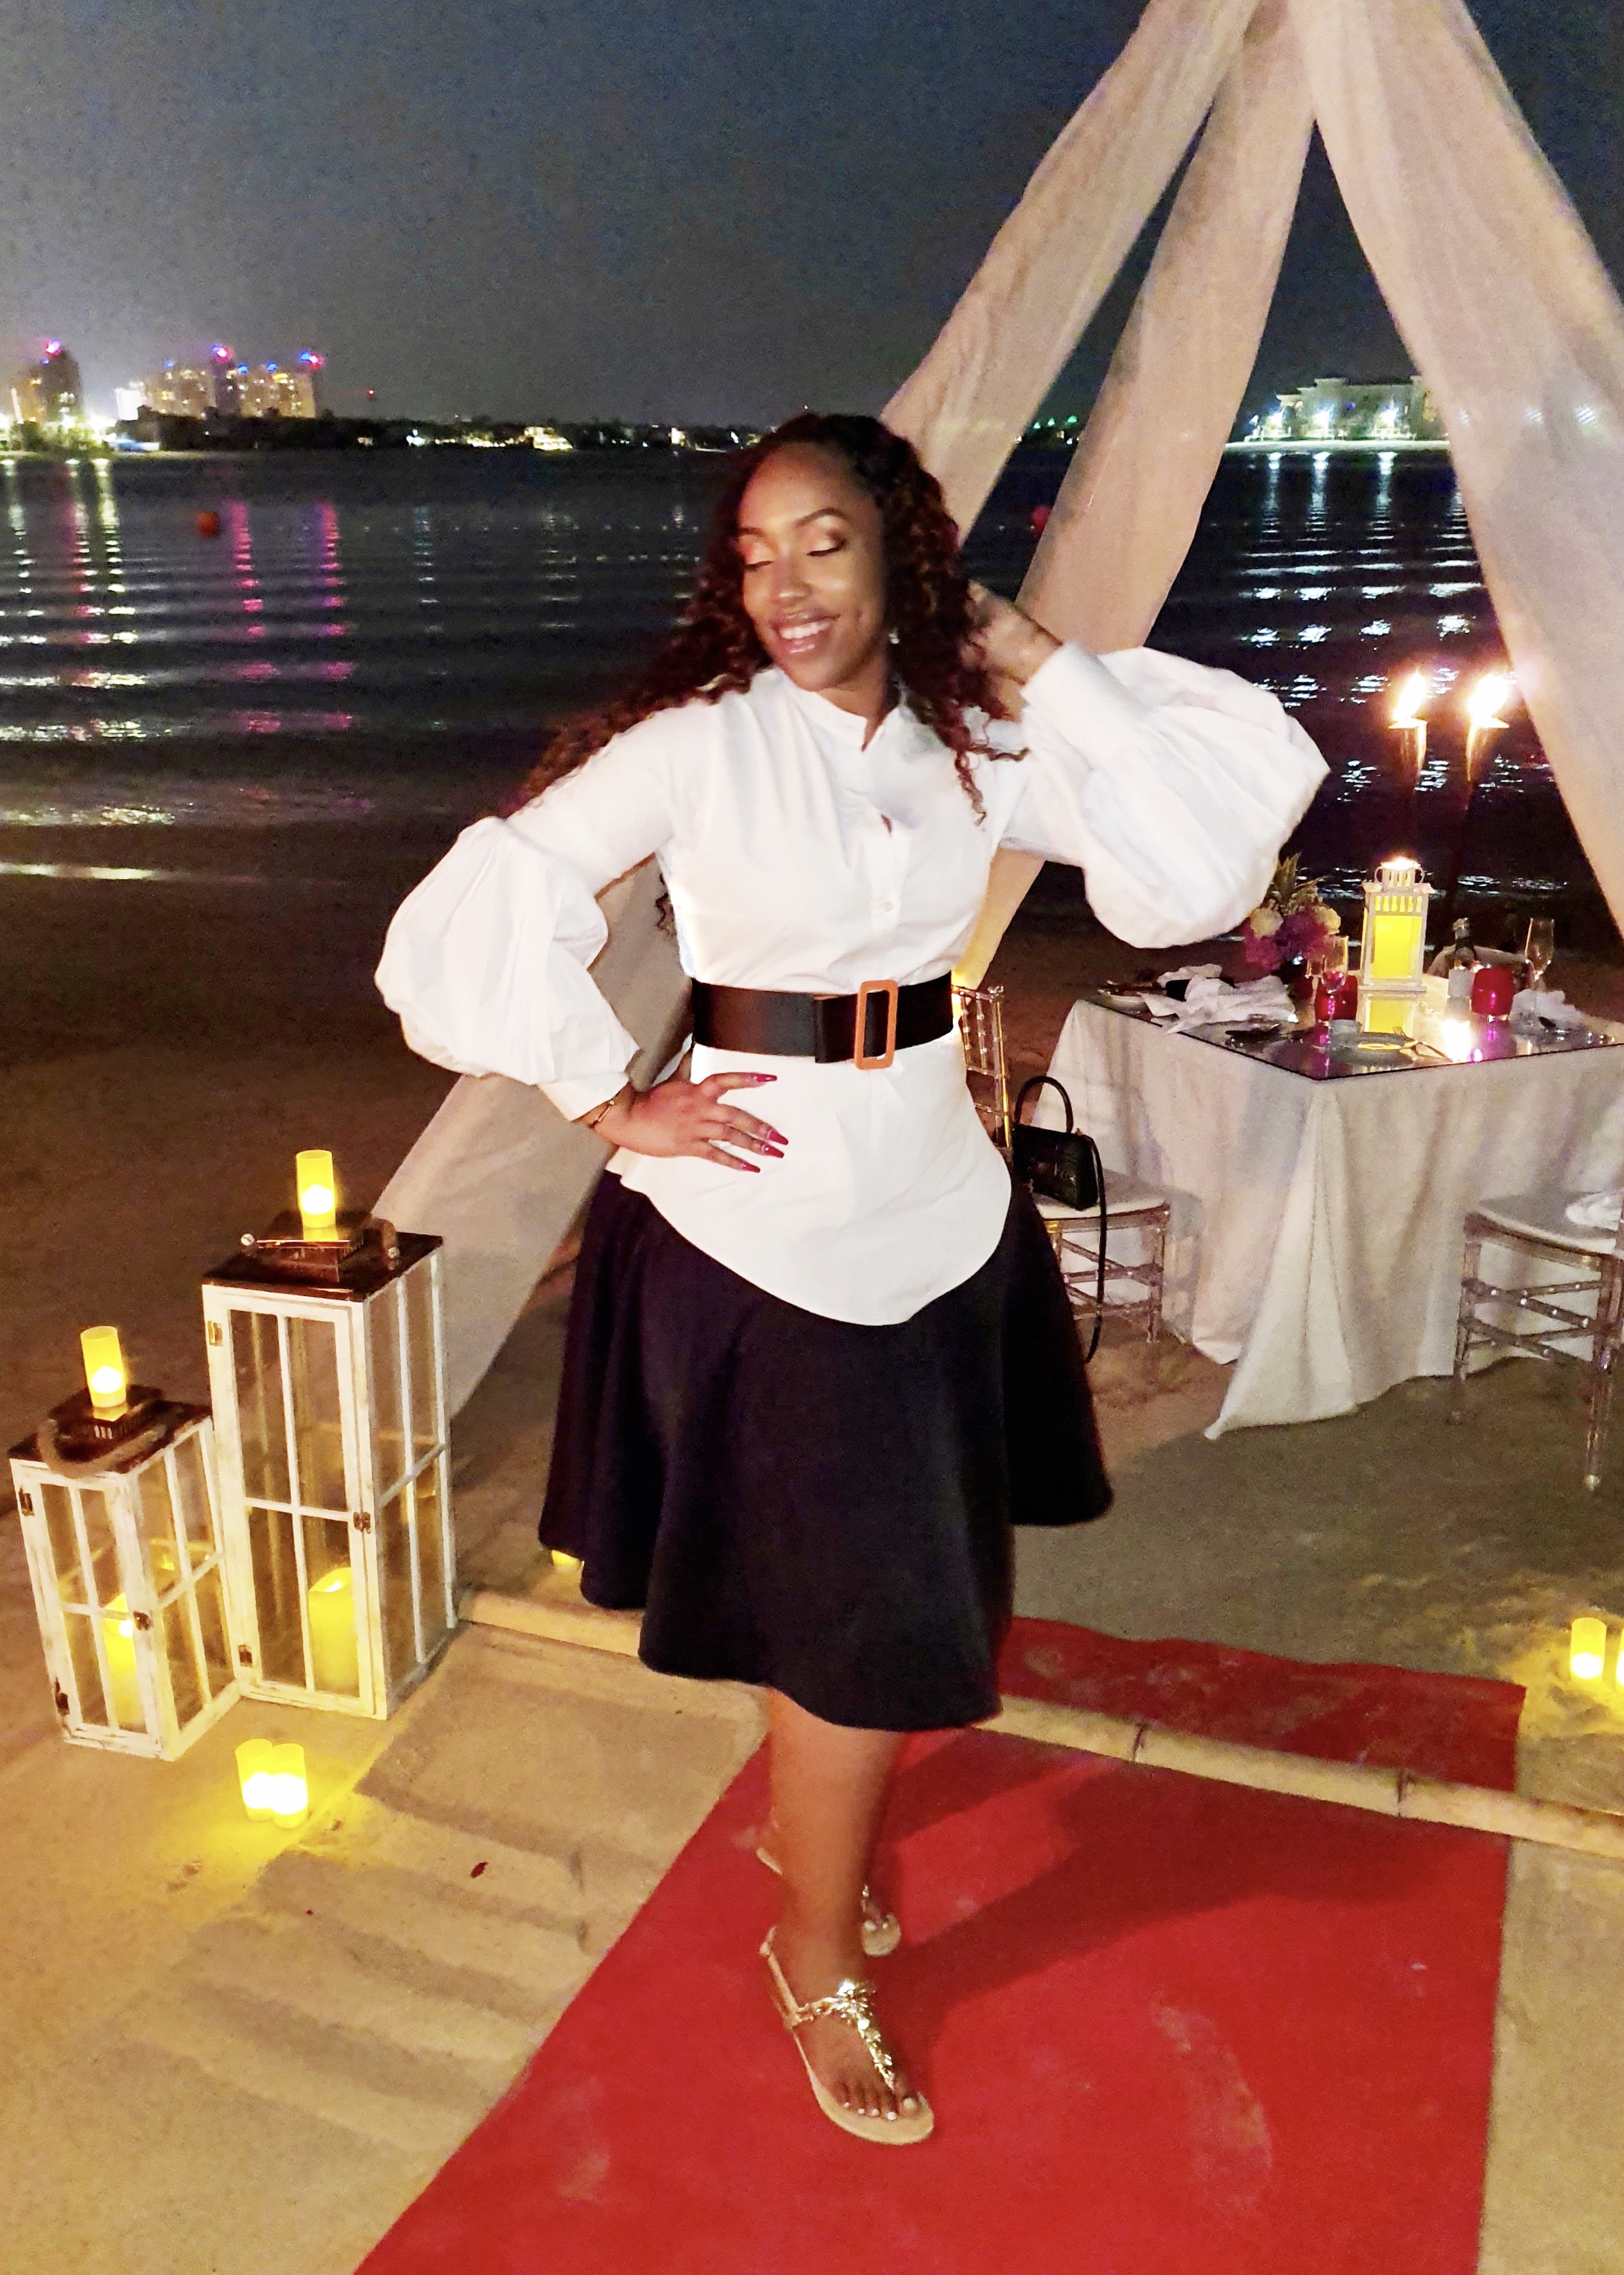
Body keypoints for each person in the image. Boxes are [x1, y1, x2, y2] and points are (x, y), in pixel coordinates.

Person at [376, 412, 1326, 2145]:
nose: (786, 585)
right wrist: (606, 1096)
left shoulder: (973, 742)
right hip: (757, 1235)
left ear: (899, 551)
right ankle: (812, 1952)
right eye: (755, 555)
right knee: (864, 1616)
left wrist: (1038, 656)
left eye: (823, 542)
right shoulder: (697, 748)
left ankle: (805, 1835)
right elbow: (477, 910)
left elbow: (1198, 862)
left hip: (943, 1218)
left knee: (836, 1597)